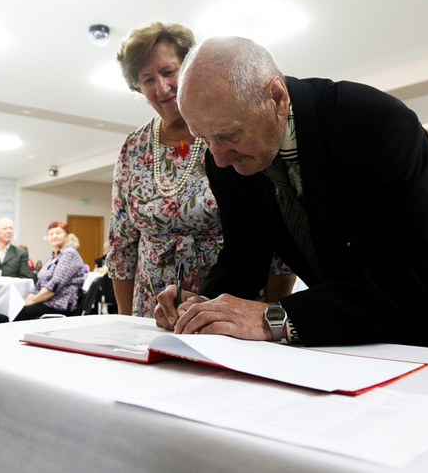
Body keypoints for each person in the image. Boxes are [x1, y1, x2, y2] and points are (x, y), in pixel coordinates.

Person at [154, 36, 428, 355]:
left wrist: (274, 317)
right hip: (371, 306)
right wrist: (203, 306)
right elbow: (244, 256)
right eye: (205, 138)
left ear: (276, 98)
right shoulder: (226, 160)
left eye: (230, 135)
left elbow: (418, 282)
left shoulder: (375, 124)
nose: (218, 159)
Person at [107, 22, 295, 318]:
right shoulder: (133, 147)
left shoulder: (233, 130)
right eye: (147, 80)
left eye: (169, 72)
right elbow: (122, 241)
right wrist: (122, 319)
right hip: (154, 307)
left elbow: (273, 232)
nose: (162, 87)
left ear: (190, 67)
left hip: (232, 297)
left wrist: (276, 314)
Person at [15, 222, 86, 321]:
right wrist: (26, 301)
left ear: (67, 235)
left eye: (58, 233)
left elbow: (55, 285)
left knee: (20, 313)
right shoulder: (52, 256)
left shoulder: (69, 254)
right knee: (16, 309)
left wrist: (32, 301)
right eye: (51, 234)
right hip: (46, 301)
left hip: (60, 304)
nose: (54, 236)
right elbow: (39, 284)